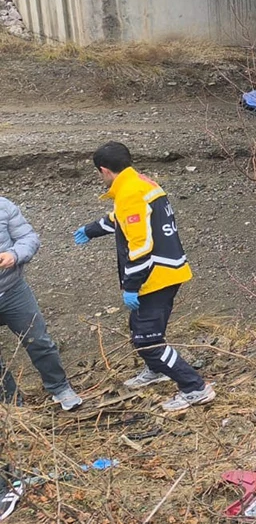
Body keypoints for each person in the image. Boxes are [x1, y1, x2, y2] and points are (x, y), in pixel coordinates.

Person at [74, 142, 215, 412]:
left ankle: (195, 388)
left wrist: (131, 285)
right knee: (138, 326)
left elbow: (140, 247)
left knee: (148, 341)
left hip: (157, 276)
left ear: (104, 170)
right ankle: (156, 370)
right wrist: (92, 229)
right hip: (170, 268)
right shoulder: (142, 182)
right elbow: (122, 219)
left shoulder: (128, 193)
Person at [0, 197, 82, 410]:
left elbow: (28, 237)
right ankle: (10, 405)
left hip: (12, 290)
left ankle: (59, 387)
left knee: (38, 341)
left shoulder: (3, 206)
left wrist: (15, 254)